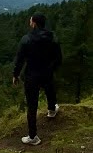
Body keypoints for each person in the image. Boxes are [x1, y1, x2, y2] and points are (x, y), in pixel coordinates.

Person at [12, 12, 62, 145]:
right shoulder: (52, 37)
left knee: (32, 105)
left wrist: (15, 75)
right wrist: (52, 68)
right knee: (50, 89)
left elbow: (19, 60)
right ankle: (52, 110)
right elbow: (58, 57)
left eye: (30, 21)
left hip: (31, 75)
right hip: (47, 71)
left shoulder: (26, 39)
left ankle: (33, 136)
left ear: (34, 23)